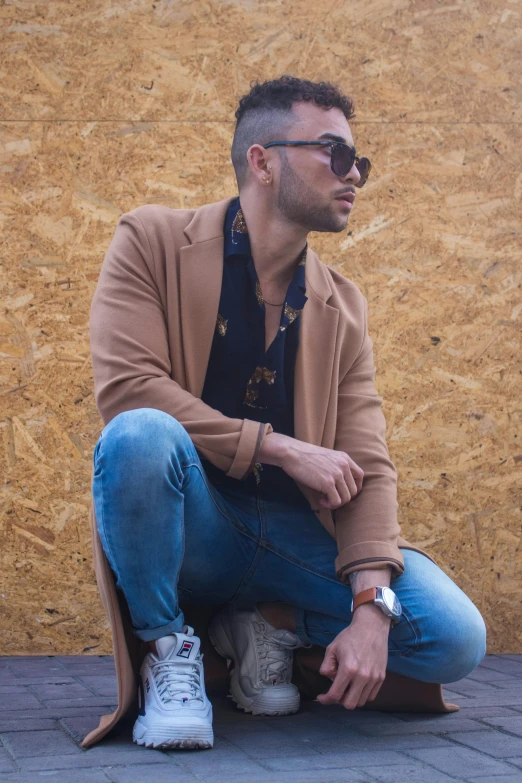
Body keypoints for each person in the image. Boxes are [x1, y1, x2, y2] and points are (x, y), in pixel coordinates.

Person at [89, 75, 486, 751]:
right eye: (334, 152)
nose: (353, 172)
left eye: (360, 159)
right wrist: (277, 447)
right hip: (199, 532)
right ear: (263, 161)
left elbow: (368, 462)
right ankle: (167, 647)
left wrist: (370, 607)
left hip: (298, 540)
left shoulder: (343, 305)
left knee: (454, 634)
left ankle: (270, 621)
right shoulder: (151, 240)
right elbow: (129, 387)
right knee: (138, 437)